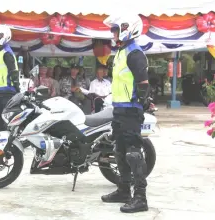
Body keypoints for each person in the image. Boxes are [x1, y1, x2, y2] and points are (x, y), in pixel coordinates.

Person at [101, 14, 150, 213]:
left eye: (115, 29)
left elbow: (143, 84)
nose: (112, 33)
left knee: (133, 153)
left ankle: (140, 198)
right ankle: (123, 190)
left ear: (126, 29)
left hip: (130, 110)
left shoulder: (135, 53)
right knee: (119, 151)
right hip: (119, 109)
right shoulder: (121, 52)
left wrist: (140, 104)